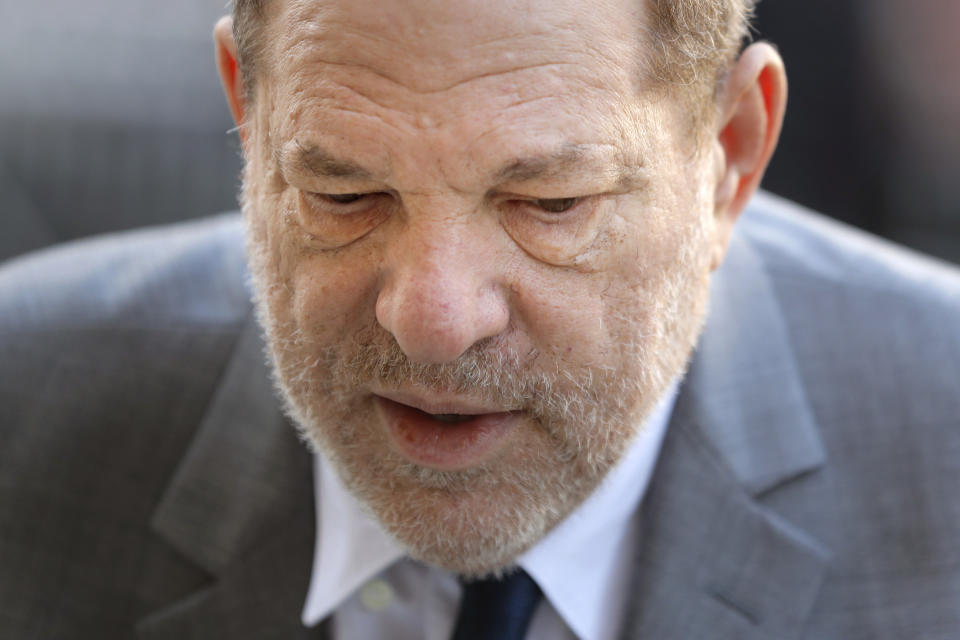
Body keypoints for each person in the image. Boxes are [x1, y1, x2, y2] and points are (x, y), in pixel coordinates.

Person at [1, 0, 959, 638]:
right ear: (249, 116)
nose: (432, 319)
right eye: (345, 193)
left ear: (730, 158)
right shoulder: (22, 410)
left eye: (549, 206)